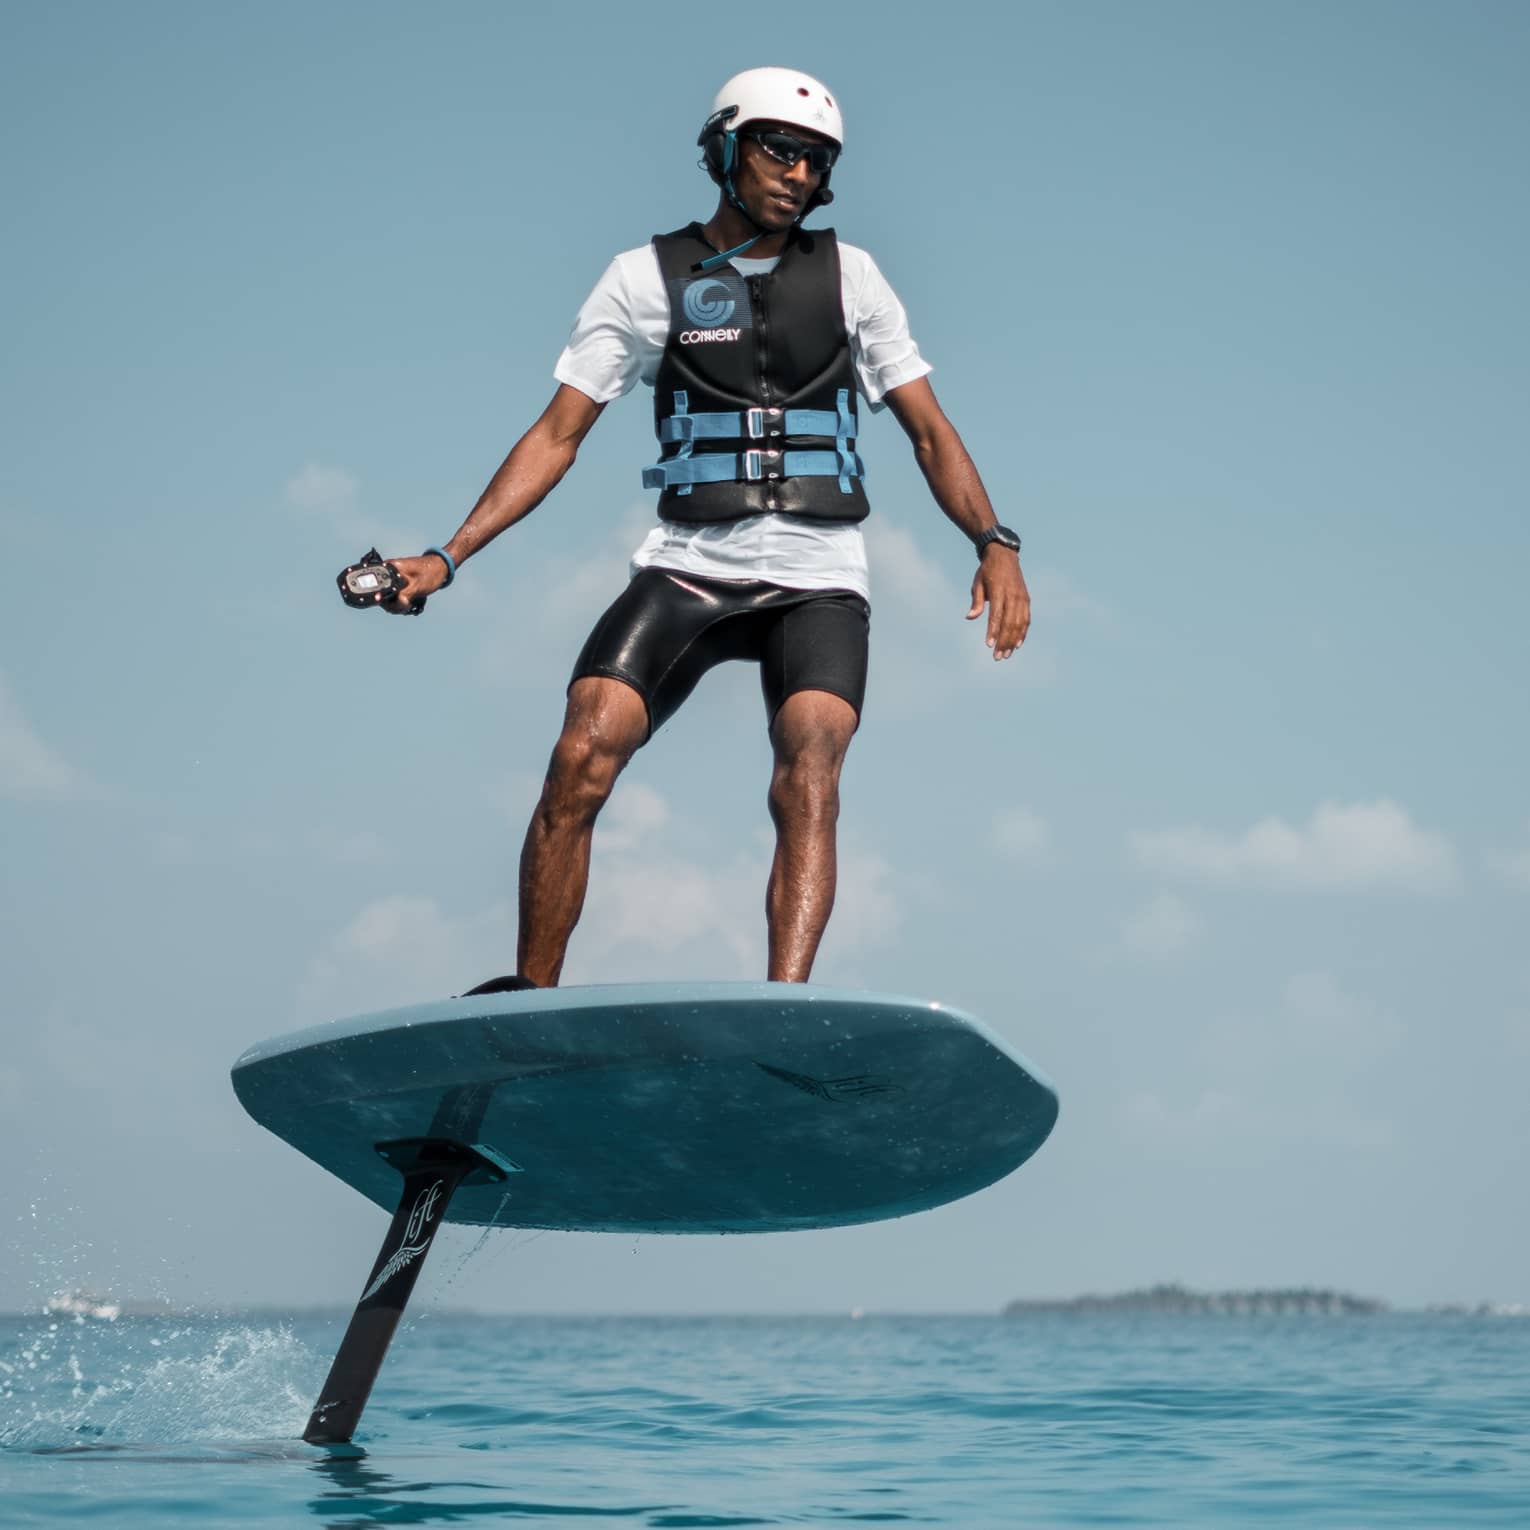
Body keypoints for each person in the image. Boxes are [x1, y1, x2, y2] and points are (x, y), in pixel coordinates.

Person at [378, 67, 1030, 991]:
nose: (798, 172)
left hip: (819, 573)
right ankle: (528, 1002)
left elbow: (929, 430)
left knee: (810, 766)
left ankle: (782, 1007)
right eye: (780, 149)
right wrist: (448, 556)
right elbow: (557, 435)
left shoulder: (854, 277)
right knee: (581, 751)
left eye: (817, 160)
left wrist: (993, 541)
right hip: (688, 563)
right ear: (725, 148)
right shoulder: (643, 279)